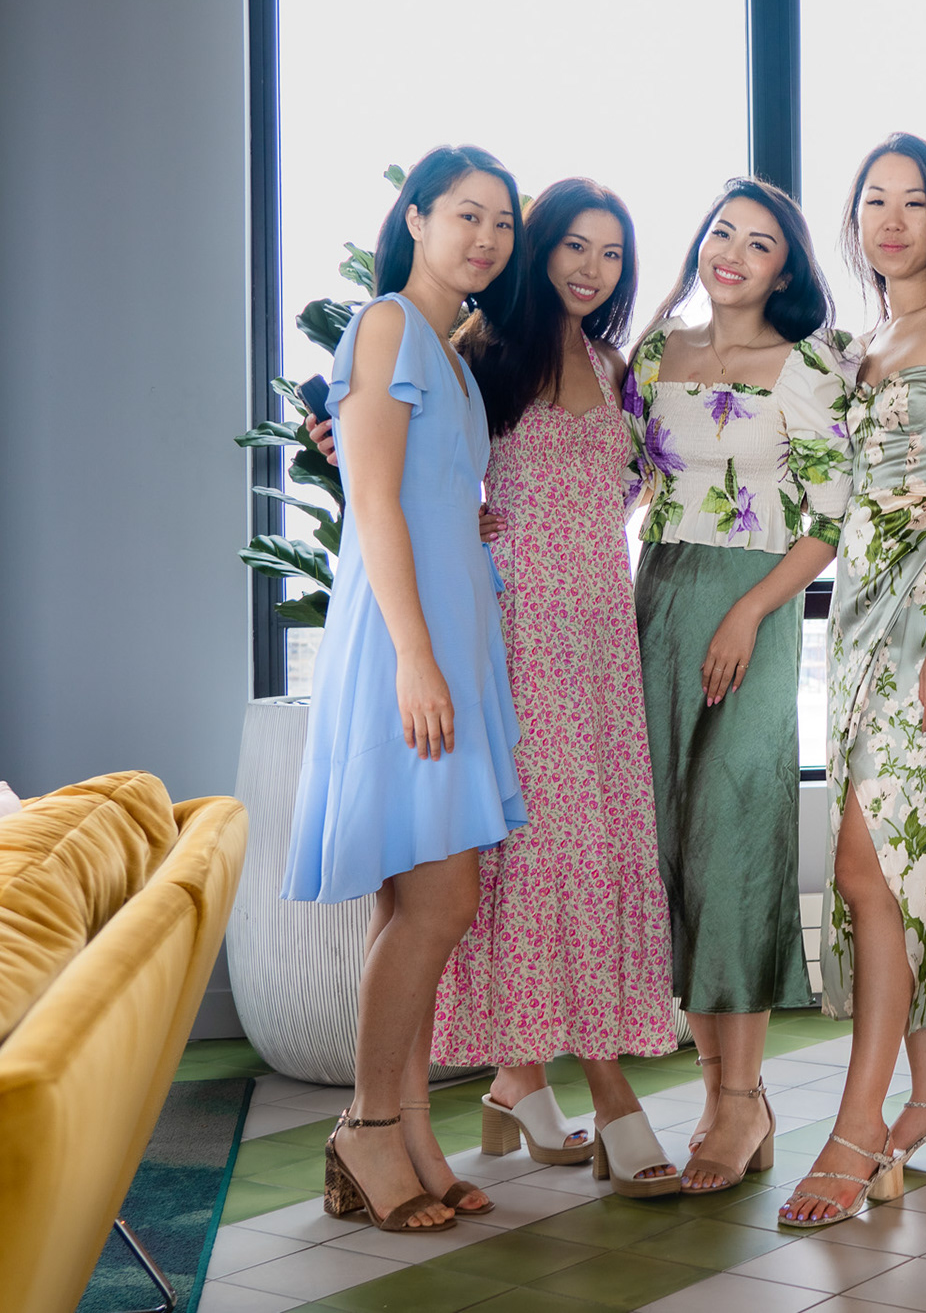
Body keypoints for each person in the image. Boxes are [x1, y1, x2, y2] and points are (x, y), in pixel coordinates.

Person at [284, 144, 527, 1232]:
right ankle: (368, 1127)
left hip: (446, 637)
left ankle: (411, 1131)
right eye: (467, 214)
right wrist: (417, 657)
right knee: (441, 899)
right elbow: (373, 503)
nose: (486, 238)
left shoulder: (454, 353)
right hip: (405, 645)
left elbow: (423, 489)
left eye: (502, 222)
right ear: (417, 218)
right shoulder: (386, 324)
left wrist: (466, 521)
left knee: (413, 898)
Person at [429, 177, 679, 1199]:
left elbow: (630, 492)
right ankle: (611, 1093)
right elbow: (409, 466)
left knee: (598, 846)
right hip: (517, 636)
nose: (592, 268)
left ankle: (516, 1081)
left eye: (611, 253)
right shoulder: (482, 352)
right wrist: (467, 521)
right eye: (575, 245)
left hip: (602, 642)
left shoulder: (615, 366)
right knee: (541, 849)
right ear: (539, 249)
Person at [780, 134, 926, 1227]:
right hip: (858, 615)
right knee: (887, 866)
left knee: (869, 866)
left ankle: (857, 1123)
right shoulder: (860, 342)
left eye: (913, 202)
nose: (892, 220)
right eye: (875, 200)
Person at [623, 177, 850, 1193]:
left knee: (736, 836)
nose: (734, 253)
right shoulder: (653, 356)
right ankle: (719, 1095)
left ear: (786, 269)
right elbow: (611, 476)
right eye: (723, 232)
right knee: (672, 840)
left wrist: (751, 610)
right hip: (658, 598)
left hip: (753, 606)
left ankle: (744, 1095)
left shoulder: (808, 363)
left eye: (760, 243)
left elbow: (829, 517)